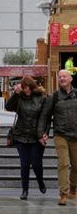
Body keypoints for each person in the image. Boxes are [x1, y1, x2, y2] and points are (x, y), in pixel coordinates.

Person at [39, 70, 77, 206]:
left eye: (64, 76)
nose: (62, 78)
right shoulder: (54, 97)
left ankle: (73, 186)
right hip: (60, 134)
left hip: (76, 134)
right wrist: (43, 133)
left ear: (71, 78)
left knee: (76, 165)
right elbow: (45, 116)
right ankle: (63, 194)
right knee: (64, 163)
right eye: (60, 77)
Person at [5, 76, 47, 200]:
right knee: (24, 164)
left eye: (27, 87)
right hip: (21, 135)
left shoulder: (41, 98)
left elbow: (45, 118)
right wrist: (15, 94)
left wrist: (45, 133)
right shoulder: (20, 98)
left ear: (31, 87)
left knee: (36, 164)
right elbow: (8, 107)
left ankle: (40, 181)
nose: (25, 90)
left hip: (36, 136)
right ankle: (25, 190)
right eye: (23, 88)